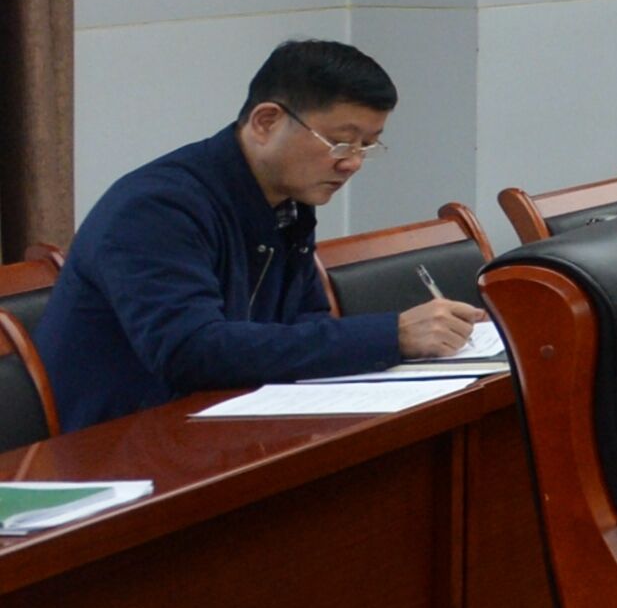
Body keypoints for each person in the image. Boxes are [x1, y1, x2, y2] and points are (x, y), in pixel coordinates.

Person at [38, 39, 487, 431]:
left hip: (223, 424)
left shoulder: (287, 200)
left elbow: (303, 322)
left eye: (367, 146)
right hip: (119, 449)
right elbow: (191, 351)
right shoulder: (157, 207)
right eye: (341, 142)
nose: (352, 163)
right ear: (266, 122)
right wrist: (391, 335)